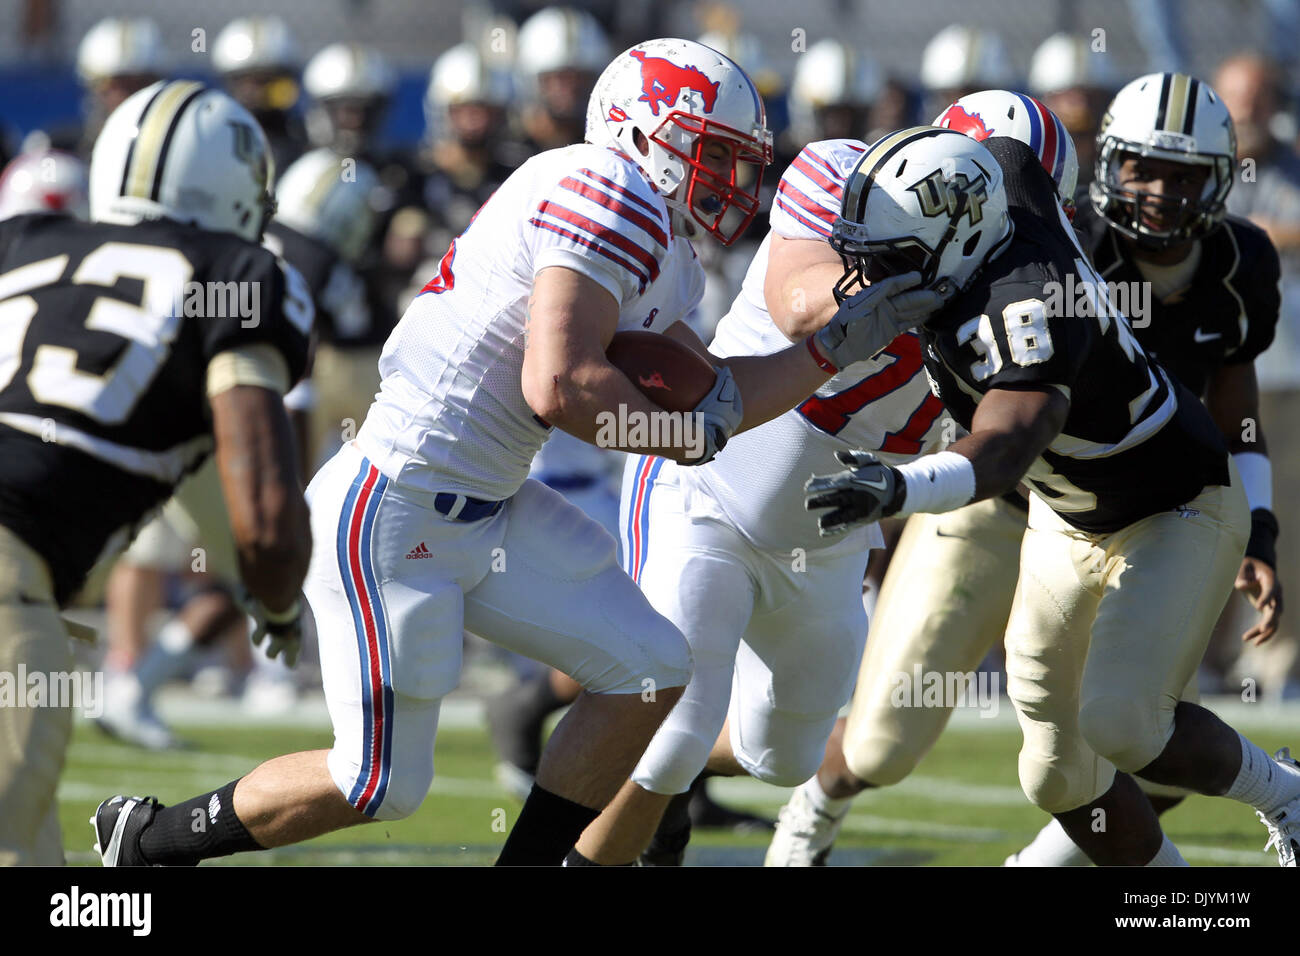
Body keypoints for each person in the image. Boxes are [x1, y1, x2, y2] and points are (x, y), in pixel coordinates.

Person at [92, 39, 942, 868]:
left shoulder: (667, 246)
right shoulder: (604, 184)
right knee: (378, 783)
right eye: (714, 153)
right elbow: (561, 386)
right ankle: (153, 840)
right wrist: (683, 438)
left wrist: (826, 352)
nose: (734, 178)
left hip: (489, 504)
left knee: (650, 669)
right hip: (395, 501)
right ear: (646, 130)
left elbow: (717, 391)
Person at [770, 78, 1288, 867]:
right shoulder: (1014, 190)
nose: (1157, 194)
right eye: (1142, 169)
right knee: (887, 744)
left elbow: (1032, 424)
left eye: (1183, 174)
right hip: (1014, 504)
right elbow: (1001, 143)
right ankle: (814, 811)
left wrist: (1260, 525)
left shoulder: (1035, 285)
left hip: (1109, 490)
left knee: (1132, 724)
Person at [566, 130, 961, 867]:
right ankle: (634, 808)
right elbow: (796, 303)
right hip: (707, 491)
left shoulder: (1022, 283)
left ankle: (645, 772)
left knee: (780, 754)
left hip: (828, 540)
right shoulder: (849, 175)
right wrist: (879, 291)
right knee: (673, 731)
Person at [0, 80, 313, 864]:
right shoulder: (237, 275)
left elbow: (208, 489)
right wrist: (276, 607)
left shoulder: (22, 240)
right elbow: (267, 522)